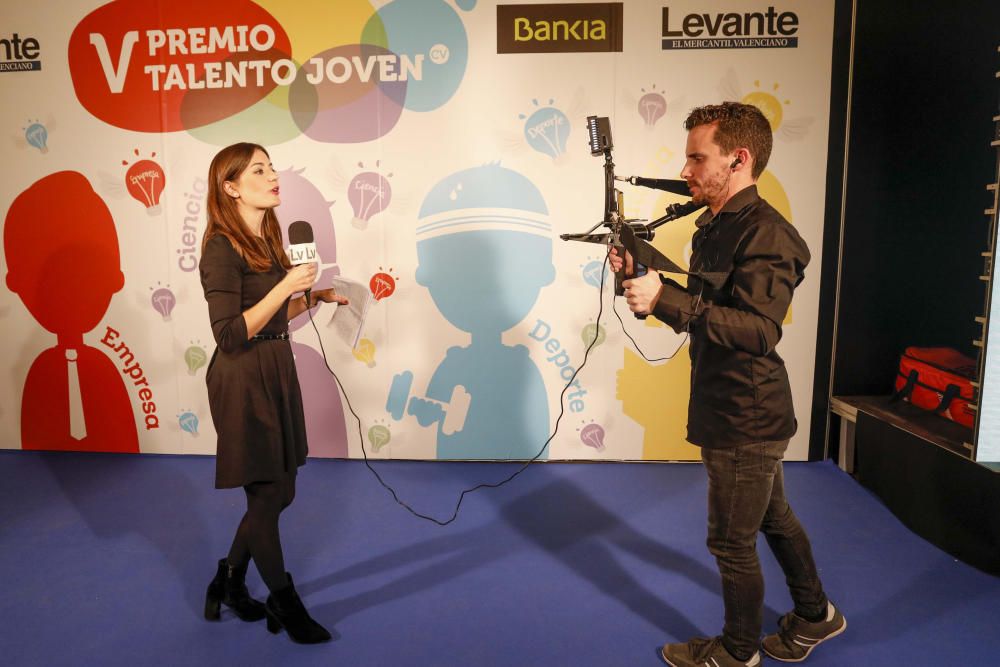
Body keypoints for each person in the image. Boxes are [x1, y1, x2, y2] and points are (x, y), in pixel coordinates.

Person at [611, 102, 845, 666]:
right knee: (772, 517)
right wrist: (648, 284)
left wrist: (665, 298)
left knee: (730, 541)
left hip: (747, 414)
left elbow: (760, 331)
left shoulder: (769, 234)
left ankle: (738, 653)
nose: (686, 170)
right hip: (729, 403)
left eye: (697, 158)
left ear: (738, 159)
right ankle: (817, 616)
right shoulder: (716, 224)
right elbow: (712, 304)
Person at [199, 142, 348, 644]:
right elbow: (229, 333)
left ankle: (230, 582)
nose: (272, 175)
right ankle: (283, 603)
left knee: (280, 490)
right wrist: (285, 287)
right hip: (241, 376)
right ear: (231, 186)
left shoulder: (266, 238)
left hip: (275, 365)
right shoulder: (220, 245)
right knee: (266, 492)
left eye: (272, 166)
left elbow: (271, 319)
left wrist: (316, 296)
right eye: (258, 169)